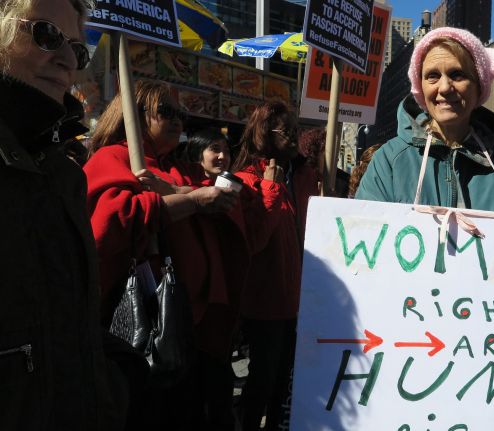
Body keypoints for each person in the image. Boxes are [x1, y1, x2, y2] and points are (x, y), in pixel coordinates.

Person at [85, 80, 250, 429]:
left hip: (187, 330)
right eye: (166, 111)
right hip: (142, 331)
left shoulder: (169, 166)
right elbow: (106, 228)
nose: (178, 120)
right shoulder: (112, 158)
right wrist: (186, 201)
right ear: (138, 115)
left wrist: (186, 195)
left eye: (182, 114)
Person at [0, 0, 129, 428]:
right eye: (47, 35)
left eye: (78, 47)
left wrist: (117, 383)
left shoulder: (63, 174)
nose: (68, 58)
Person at [355, 27, 494, 217]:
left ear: (478, 86)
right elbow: (364, 232)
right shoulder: (389, 161)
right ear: (420, 86)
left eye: (457, 75)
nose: (444, 87)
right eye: (432, 76)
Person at [232, 100, 318, 431]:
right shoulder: (246, 180)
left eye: (298, 131)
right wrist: (269, 187)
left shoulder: (304, 174)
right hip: (265, 302)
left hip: (300, 298)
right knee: (262, 381)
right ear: (266, 133)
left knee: (285, 381)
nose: (295, 137)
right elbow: (253, 240)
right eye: (288, 131)